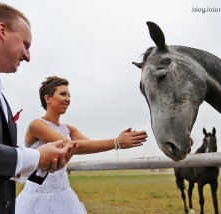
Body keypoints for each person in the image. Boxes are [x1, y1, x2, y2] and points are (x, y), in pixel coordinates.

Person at [0, 3, 77, 214]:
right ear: (2, 31)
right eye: (25, 45)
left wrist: (40, 164)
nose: (28, 56)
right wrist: (35, 157)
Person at [16, 76, 148, 214]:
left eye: (69, 95)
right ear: (48, 98)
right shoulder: (36, 125)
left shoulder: (68, 128)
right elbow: (71, 146)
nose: (68, 99)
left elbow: (89, 145)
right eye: (63, 94)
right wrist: (116, 142)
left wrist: (118, 141)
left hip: (64, 194)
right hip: (38, 196)